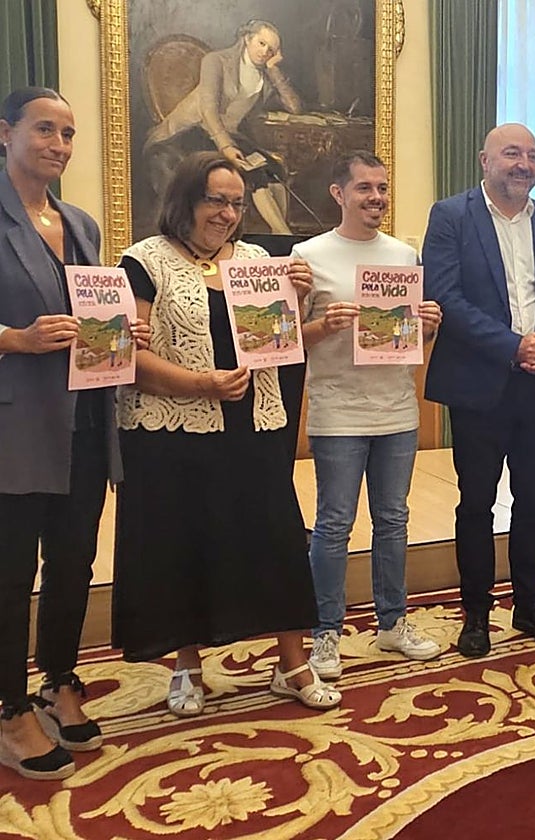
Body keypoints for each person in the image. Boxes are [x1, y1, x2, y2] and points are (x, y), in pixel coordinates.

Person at [113, 151, 340, 714]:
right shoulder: (144, 261)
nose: (227, 213)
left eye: (236, 202)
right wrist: (199, 385)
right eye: (216, 199)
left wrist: (302, 300)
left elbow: (278, 345)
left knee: (275, 538)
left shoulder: (260, 259)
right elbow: (123, 358)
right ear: (186, 198)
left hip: (254, 425)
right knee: (183, 544)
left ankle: (292, 665)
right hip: (174, 428)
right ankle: (187, 666)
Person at [0, 87, 147, 782]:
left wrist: (126, 332)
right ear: (6, 133)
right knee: (8, 574)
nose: (58, 144)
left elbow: (96, 316)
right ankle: (7, 711)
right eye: (44, 129)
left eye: (68, 133)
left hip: (88, 422)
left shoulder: (82, 223)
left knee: (73, 562)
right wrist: (14, 339)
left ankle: (59, 680)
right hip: (16, 425)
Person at [423, 123, 535, 658]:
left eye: (533, 156)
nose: (524, 164)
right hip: (481, 385)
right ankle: (476, 613)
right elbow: (444, 296)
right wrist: (513, 346)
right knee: (476, 503)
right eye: (512, 154)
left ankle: (531, 605)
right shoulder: (450, 216)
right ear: (484, 159)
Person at [297, 150, 444, 680]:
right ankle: (326, 633)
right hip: (337, 409)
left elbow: (414, 338)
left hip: (397, 408)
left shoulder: (405, 257)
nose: (376, 198)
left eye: (382, 188)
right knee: (333, 525)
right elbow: (287, 340)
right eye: (364, 188)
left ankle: (392, 622)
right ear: (339, 194)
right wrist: (325, 325)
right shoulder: (307, 255)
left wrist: (429, 322)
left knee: (394, 520)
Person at [144, 20, 301, 234]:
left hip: (226, 134)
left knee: (274, 170)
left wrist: (273, 70)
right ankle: (286, 237)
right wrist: (226, 147)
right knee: (254, 174)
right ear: (247, 39)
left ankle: (278, 237)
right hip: (191, 132)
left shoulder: (263, 75)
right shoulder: (216, 61)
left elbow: (294, 107)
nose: (265, 52)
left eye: (271, 49)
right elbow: (208, 110)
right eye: (261, 43)